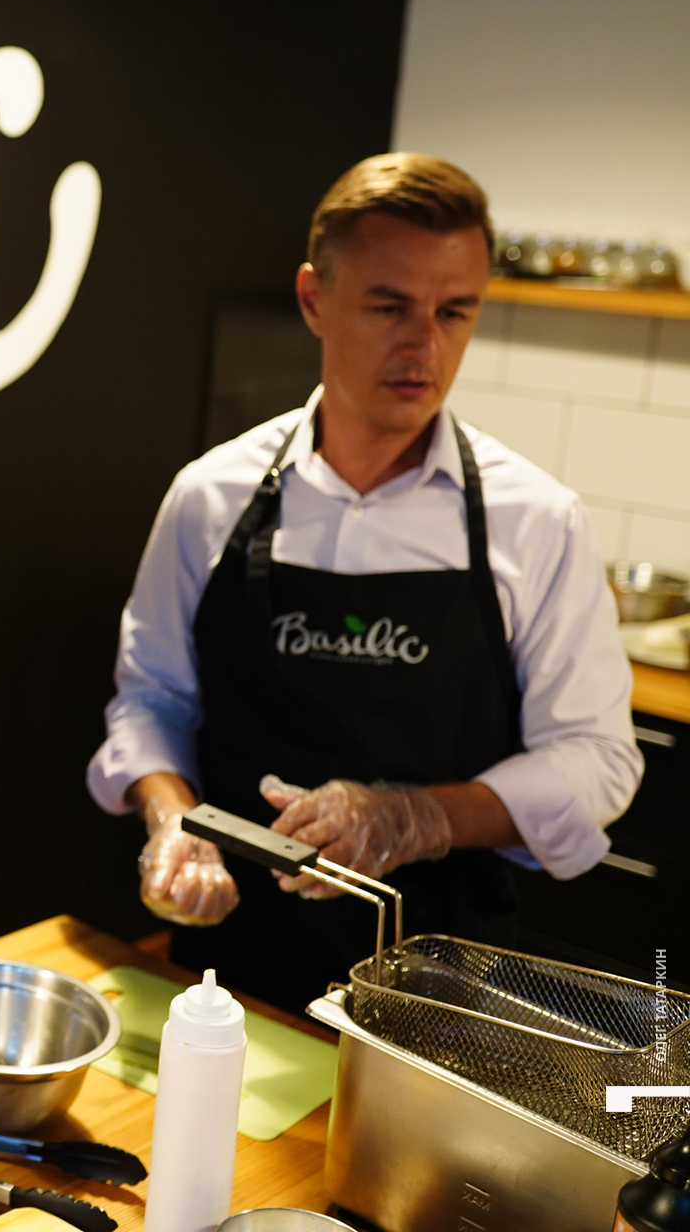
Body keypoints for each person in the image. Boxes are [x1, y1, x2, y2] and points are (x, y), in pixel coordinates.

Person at [87, 153, 641, 1012]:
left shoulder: (538, 520)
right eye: (390, 307)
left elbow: (598, 759)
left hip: (442, 989)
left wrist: (415, 817)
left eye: (454, 312)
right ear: (315, 299)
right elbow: (151, 701)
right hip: (225, 970)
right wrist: (171, 823)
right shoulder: (210, 496)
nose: (425, 347)